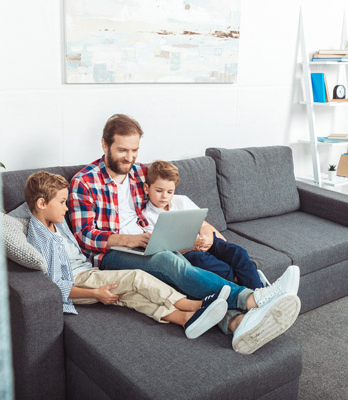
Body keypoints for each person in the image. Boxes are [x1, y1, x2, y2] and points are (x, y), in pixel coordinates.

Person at [69, 113, 301, 354]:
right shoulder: (84, 182)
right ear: (105, 144)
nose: (129, 157)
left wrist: (201, 230)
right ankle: (253, 299)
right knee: (168, 261)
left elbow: (171, 199)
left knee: (183, 270)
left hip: (149, 242)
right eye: (122, 150)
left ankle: (237, 322)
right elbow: (85, 235)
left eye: (134, 150)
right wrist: (131, 240)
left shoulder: (141, 173)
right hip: (109, 255)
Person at [25, 170, 230, 340]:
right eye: (62, 202)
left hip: (86, 272)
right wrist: (95, 293)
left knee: (132, 296)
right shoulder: (41, 238)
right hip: (78, 282)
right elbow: (56, 285)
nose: (67, 208)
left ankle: (186, 319)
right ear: (42, 204)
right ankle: (195, 304)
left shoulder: (54, 223)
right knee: (135, 277)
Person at [142, 160, 267, 290]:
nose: (164, 196)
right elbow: (160, 250)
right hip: (185, 253)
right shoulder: (146, 216)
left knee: (238, 252)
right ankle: (248, 284)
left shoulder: (182, 201)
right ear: (147, 188)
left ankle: (259, 290)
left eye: (169, 192)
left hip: (204, 241)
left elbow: (204, 226)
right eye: (159, 190)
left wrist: (207, 238)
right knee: (201, 260)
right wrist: (192, 245)